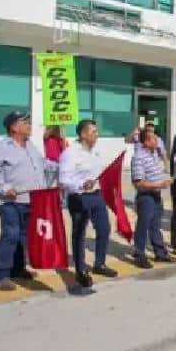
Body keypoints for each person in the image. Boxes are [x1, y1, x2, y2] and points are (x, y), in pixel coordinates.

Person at [0, 112, 57, 291]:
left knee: (24, 237)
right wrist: (4, 187)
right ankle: (0, 275)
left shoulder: (30, 145)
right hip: (11, 201)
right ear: (14, 127)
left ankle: (18, 268)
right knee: (10, 235)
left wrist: (64, 166)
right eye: (25, 122)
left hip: (32, 199)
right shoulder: (0, 147)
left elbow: (43, 164)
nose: (29, 125)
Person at [58, 119, 119, 289]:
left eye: (97, 131)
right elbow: (63, 180)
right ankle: (80, 270)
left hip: (97, 196)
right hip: (79, 197)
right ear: (83, 134)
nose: (97, 135)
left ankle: (100, 263)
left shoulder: (95, 152)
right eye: (93, 132)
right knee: (79, 234)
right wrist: (80, 185)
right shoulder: (70, 154)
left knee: (104, 229)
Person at [131, 130, 176, 269]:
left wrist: (164, 181)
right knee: (143, 227)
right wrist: (159, 184)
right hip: (146, 197)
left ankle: (160, 253)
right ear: (145, 142)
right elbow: (138, 182)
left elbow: (156, 173)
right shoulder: (139, 157)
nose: (157, 142)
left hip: (156, 195)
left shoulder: (154, 154)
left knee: (155, 226)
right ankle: (139, 255)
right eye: (154, 140)